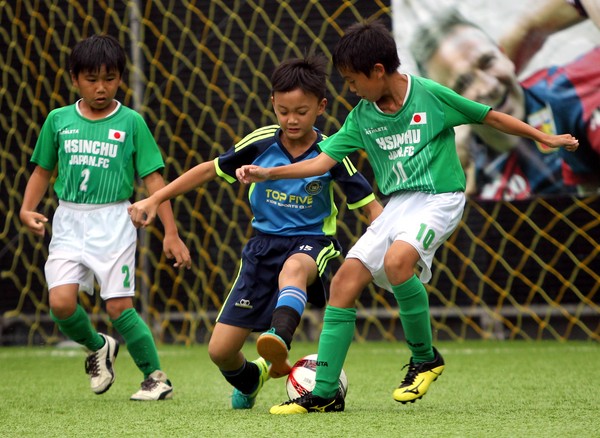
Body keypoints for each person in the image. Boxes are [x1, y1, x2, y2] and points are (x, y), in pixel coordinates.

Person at [236, 20, 579, 414]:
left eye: (352, 80)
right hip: (399, 203)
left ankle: (425, 358)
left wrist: (544, 137)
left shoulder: (430, 95)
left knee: (398, 262)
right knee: (345, 280)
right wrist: (269, 172)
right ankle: (324, 392)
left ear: (378, 71)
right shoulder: (362, 116)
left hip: (440, 198)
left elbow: (488, 116)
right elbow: (321, 162)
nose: (350, 89)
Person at [127, 55, 382, 409]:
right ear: (272, 104)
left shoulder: (332, 150)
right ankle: (255, 377)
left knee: (294, 268)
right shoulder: (260, 143)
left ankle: (278, 337)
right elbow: (207, 170)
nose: (292, 120)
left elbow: (370, 206)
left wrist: (392, 244)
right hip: (262, 248)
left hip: (312, 242)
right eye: (284, 111)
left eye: (302, 112)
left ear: (321, 107)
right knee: (220, 351)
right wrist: (156, 198)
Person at [19, 34, 191, 401]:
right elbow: (42, 171)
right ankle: (98, 347)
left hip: (115, 220)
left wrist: (171, 233)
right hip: (67, 220)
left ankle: (155, 377)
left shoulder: (131, 122)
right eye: (91, 79)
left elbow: (155, 181)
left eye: (109, 78)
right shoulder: (57, 120)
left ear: (120, 79)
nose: (101, 87)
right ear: (74, 79)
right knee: (61, 304)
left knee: (118, 306)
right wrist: (25, 208)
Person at [410, 8, 600, 198]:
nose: (489, 86)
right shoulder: (456, 176)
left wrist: (528, 24)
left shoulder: (574, 88)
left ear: (505, 55)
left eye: (488, 61)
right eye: (463, 84)